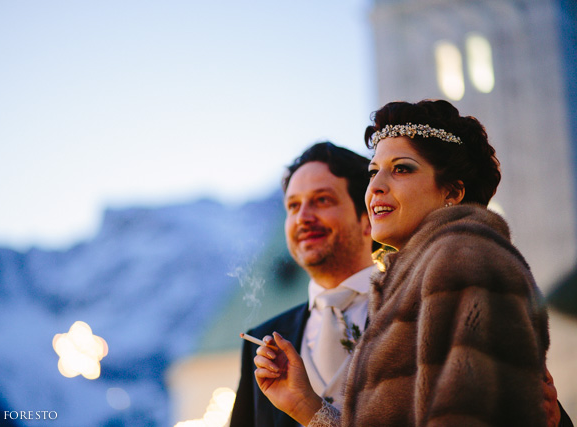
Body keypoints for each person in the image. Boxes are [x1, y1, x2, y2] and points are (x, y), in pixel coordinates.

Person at [251, 100, 573, 426]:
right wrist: (306, 405)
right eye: (373, 171)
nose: (375, 187)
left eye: (401, 168)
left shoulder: (461, 265)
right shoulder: (417, 279)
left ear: (453, 191)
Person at [230, 142, 377, 427]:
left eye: (322, 200)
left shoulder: (413, 314)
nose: (302, 218)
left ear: (367, 218)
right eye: (293, 206)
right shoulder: (261, 343)